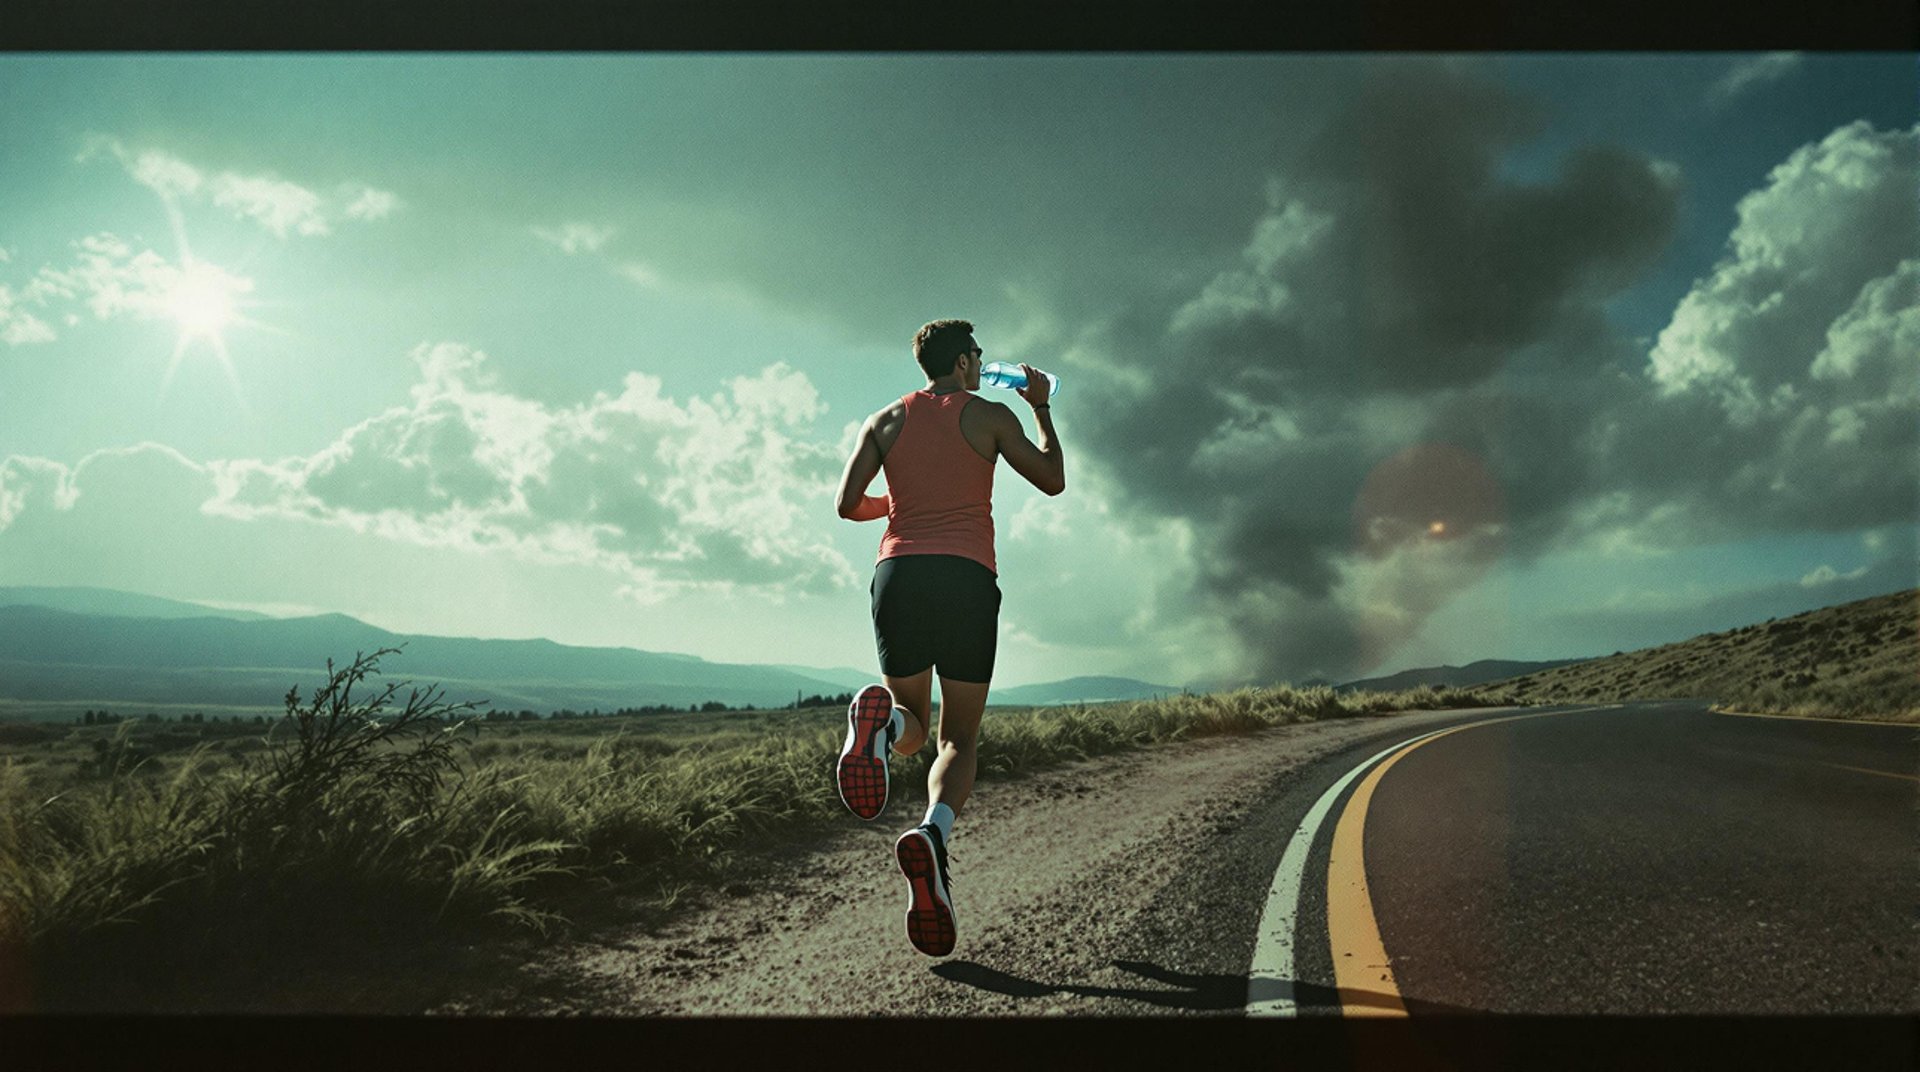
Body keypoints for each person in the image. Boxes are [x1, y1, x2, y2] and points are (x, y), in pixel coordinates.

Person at [832, 318, 1064, 957]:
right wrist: (1041, 410)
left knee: (908, 722)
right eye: (980, 355)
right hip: (964, 575)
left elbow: (848, 504)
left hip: (898, 573)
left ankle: (876, 729)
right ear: (964, 362)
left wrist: (900, 505)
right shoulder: (990, 416)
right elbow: (1051, 478)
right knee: (958, 737)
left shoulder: (884, 420)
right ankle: (933, 834)